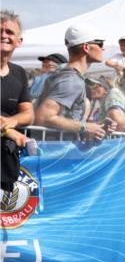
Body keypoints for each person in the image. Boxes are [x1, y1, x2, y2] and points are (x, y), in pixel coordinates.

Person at [35, 24, 114, 141]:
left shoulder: (66, 75)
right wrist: (85, 127)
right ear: (86, 47)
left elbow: (66, 117)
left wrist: (96, 127)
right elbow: (43, 117)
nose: (103, 48)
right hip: (55, 153)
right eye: (100, 44)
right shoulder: (71, 80)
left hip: (56, 150)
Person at [1, 10, 34, 192]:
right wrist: (8, 131)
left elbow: (29, 114)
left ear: (19, 41)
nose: (4, 35)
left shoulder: (19, 73)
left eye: (9, 32)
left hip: (5, 163)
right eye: (0, 31)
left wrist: (12, 121)